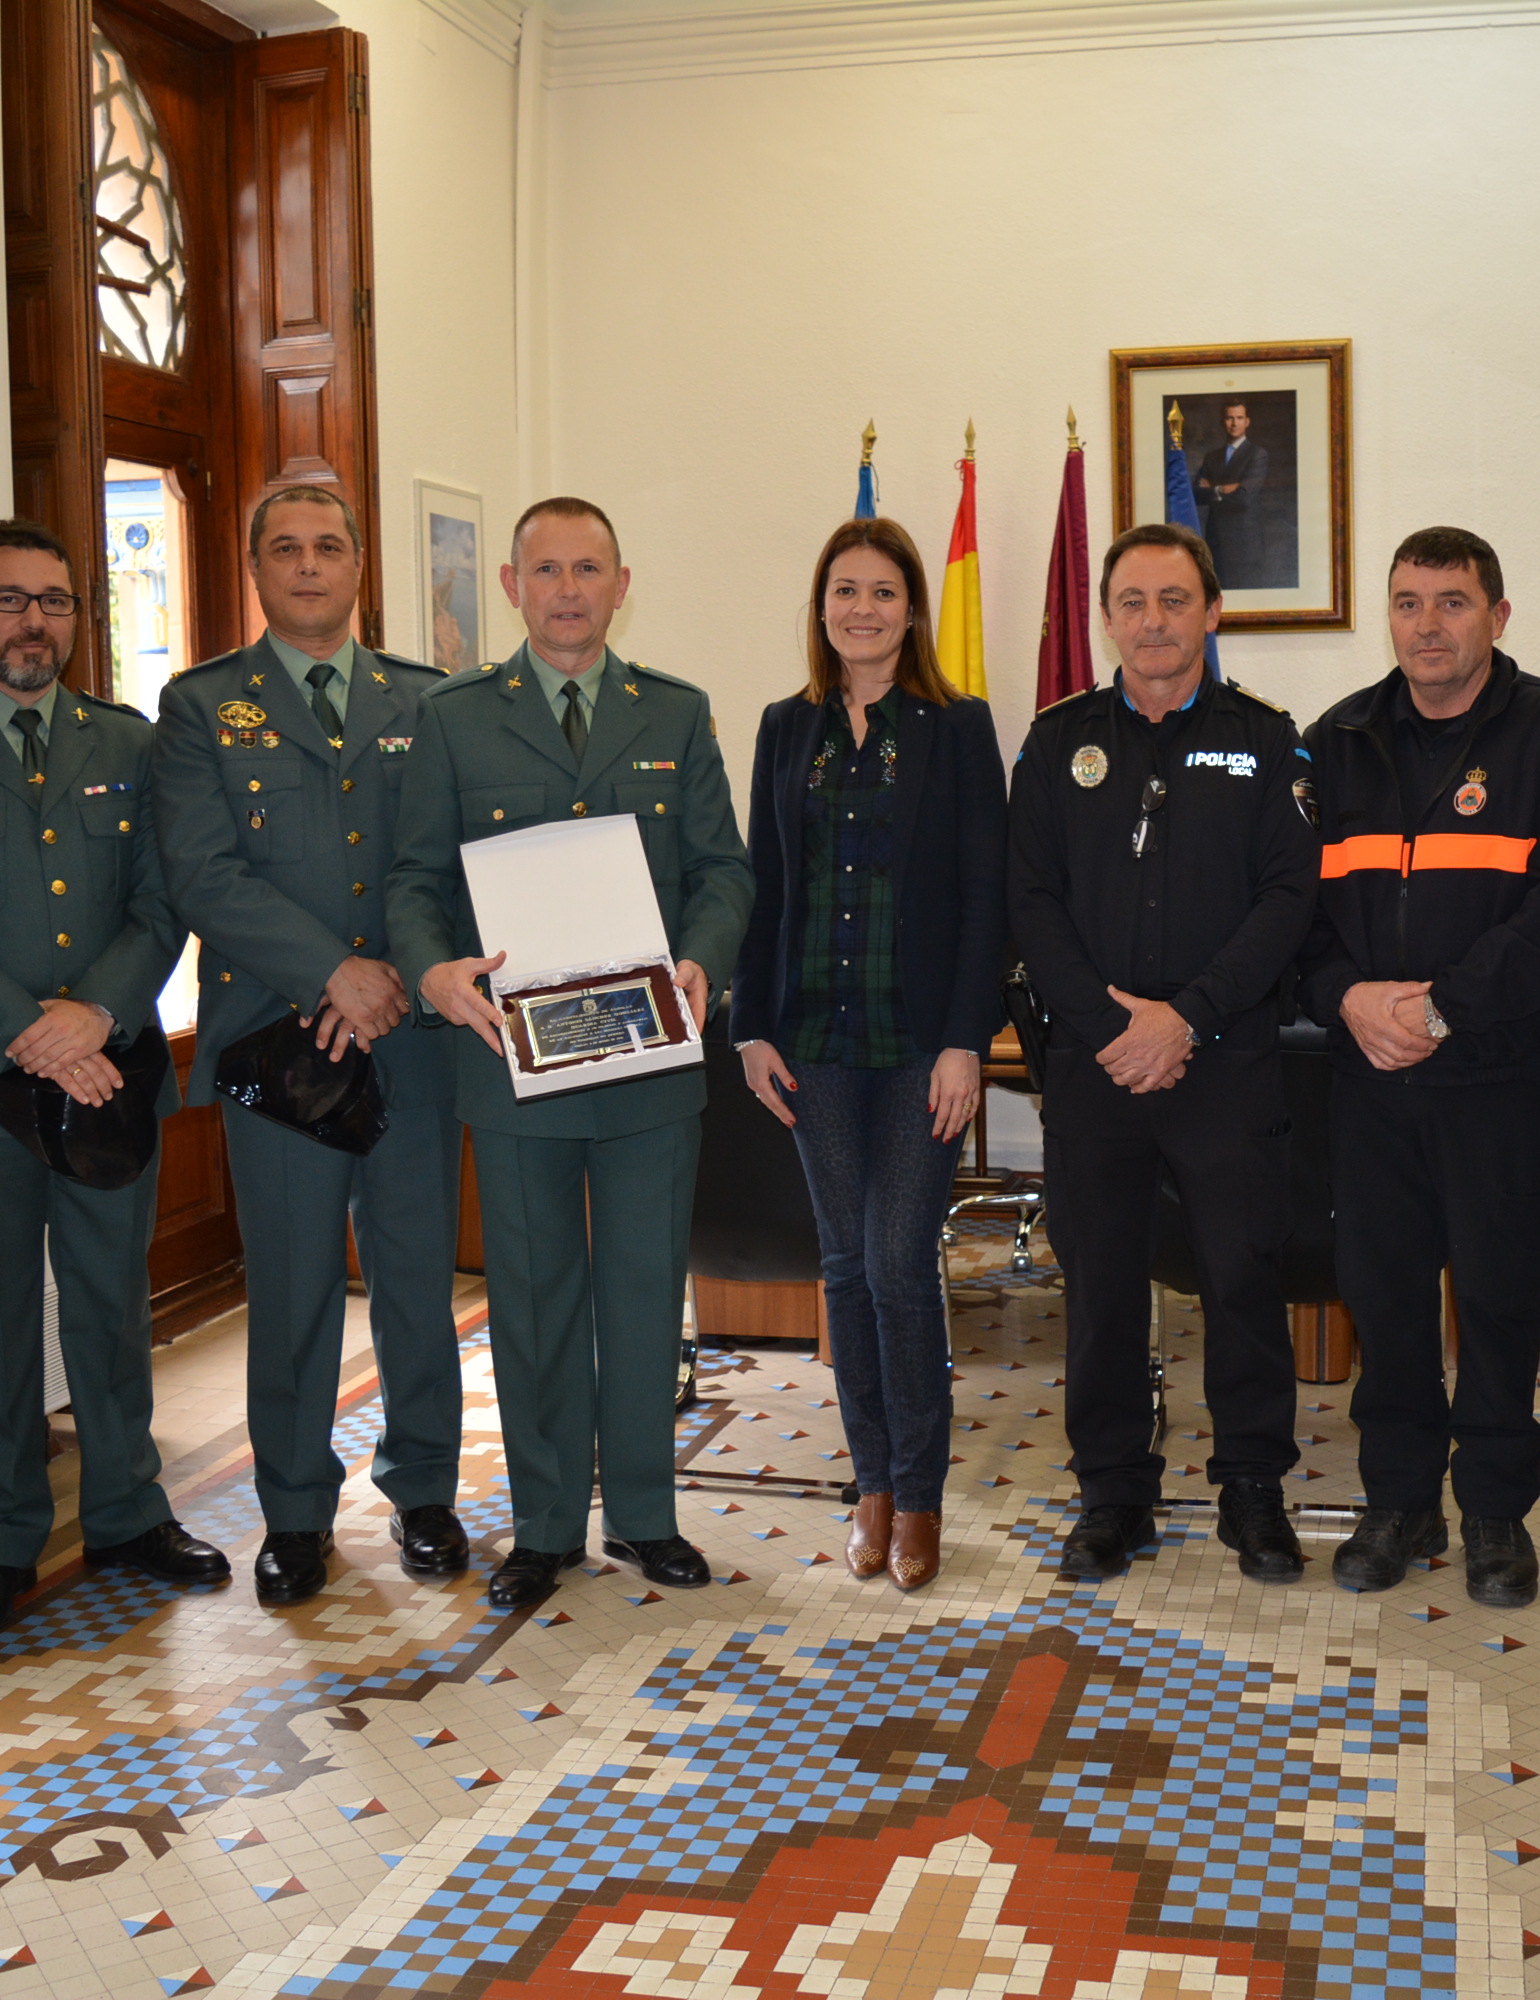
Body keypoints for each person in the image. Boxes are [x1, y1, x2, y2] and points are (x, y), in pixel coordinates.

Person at [391, 496, 753, 1614]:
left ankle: (645, 1514)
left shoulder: (675, 713)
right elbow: (410, 880)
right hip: (513, 1061)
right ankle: (544, 1524)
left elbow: (723, 871)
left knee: (645, 1290)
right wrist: (433, 971)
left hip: (648, 1056)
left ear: (619, 581)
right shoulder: (452, 718)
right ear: (510, 586)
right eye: (544, 569)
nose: (565, 589)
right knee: (537, 1298)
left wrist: (701, 960)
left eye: (586, 568)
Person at [0, 519, 228, 1642]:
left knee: (108, 1301)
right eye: (8, 599)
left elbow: (162, 901)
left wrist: (96, 1014)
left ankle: (128, 1508)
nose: (33, 621)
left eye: (54, 601)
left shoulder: (125, 742)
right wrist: (26, 1029)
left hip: (106, 1076)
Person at [153, 485, 466, 1609]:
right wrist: (328, 970)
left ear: (359, 564)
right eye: (283, 547)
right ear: (253, 566)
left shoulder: (426, 701)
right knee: (289, 1289)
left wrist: (386, 978)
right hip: (274, 1047)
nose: (307, 564)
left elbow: (441, 857)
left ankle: (425, 1489)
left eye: (328, 545)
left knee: (417, 1275)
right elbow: (201, 870)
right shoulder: (200, 706)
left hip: (411, 1038)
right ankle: (294, 1510)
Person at [1296, 527, 1540, 1606]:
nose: (1427, 624)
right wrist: (1346, 996)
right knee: (1381, 1303)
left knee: (1496, 1299)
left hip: (1497, 1078)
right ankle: (1398, 1499)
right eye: (1407, 602)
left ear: (1498, 614)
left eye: (1451, 602)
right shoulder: (1334, 741)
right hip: (1369, 1081)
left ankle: (1491, 1509)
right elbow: (1293, 912)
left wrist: (1437, 1006)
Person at [1006, 522, 1317, 1584]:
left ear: (1212, 612)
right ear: (1106, 617)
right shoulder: (1056, 743)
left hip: (1221, 1063)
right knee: (1097, 1286)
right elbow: (1031, 902)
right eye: (1131, 601)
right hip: (1095, 1072)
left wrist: (1184, 1018)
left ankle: (1252, 1486)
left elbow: (1288, 897)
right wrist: (1110, 1028)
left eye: (1174, 600)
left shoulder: (1266, 739)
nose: (1153, 621)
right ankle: (1110, 1491)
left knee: (1241, 1276)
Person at [732, 518, 1008, 1593]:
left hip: (917, 1046)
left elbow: (987, 895)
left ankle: (923, 1492)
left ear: (910, 609)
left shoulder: (957, 726)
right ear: (821, 606)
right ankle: (872, 1488)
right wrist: (749, 1025)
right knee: (844, 1263)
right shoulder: (781, 727)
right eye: (842, 589)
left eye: (881, 591)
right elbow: (764, 886)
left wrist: (964, 1040)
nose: (861, 608)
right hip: (815, 1045)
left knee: (898, 1258)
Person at [1191, 400, 1272, 590]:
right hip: (1216, 543)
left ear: (1247, 422)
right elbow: (1195, 495)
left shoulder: (1257, 455)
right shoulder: (1212, 456)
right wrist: (1222, 489)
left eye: (1239, 418)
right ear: (1222, 422)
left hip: (1244, 545)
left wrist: (1212, 489)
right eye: (1229, 418)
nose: (1234, 423)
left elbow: (1244, 498)